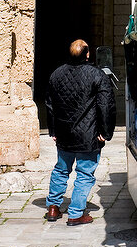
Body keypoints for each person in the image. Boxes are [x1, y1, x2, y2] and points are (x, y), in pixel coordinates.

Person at [44, 39, 116, 226]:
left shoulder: (56, 74)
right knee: (84, 173)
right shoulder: (97, 75)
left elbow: (50, 105)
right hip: (88, 134)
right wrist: (105, 132)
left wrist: (53, 129)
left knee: (61, 170)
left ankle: (53, 207)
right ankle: (75, 213)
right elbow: (105, 105)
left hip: (64, 133)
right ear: (88, 54)